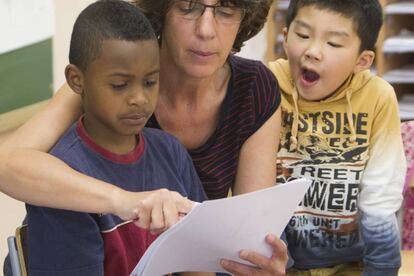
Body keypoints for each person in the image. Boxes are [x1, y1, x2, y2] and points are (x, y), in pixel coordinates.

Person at [0, 0, 288, 275]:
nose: (206, 30)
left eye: (225, 10)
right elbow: (6, 163)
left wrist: (258, 264)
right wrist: (125, 201)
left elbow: (245, 244)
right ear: (162, 8)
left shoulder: (253, 89)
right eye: (188, 6)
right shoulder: (108, 79)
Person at [25, 1, 206, 275]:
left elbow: (199, 261)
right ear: (77, 80)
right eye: (120, 85)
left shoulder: (170, 151)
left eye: (150, 82)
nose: (139, 99)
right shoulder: (61, 182)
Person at [268, 0, 406, 275]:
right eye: (303, 35)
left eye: (334, 44)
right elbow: (253, 191)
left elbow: (381, 195)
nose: (312, 51)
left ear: (362, 60)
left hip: (352, 264)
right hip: (277, 260)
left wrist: (382, 267)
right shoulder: (265, 83)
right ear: (285, 37)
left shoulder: (378, 97)